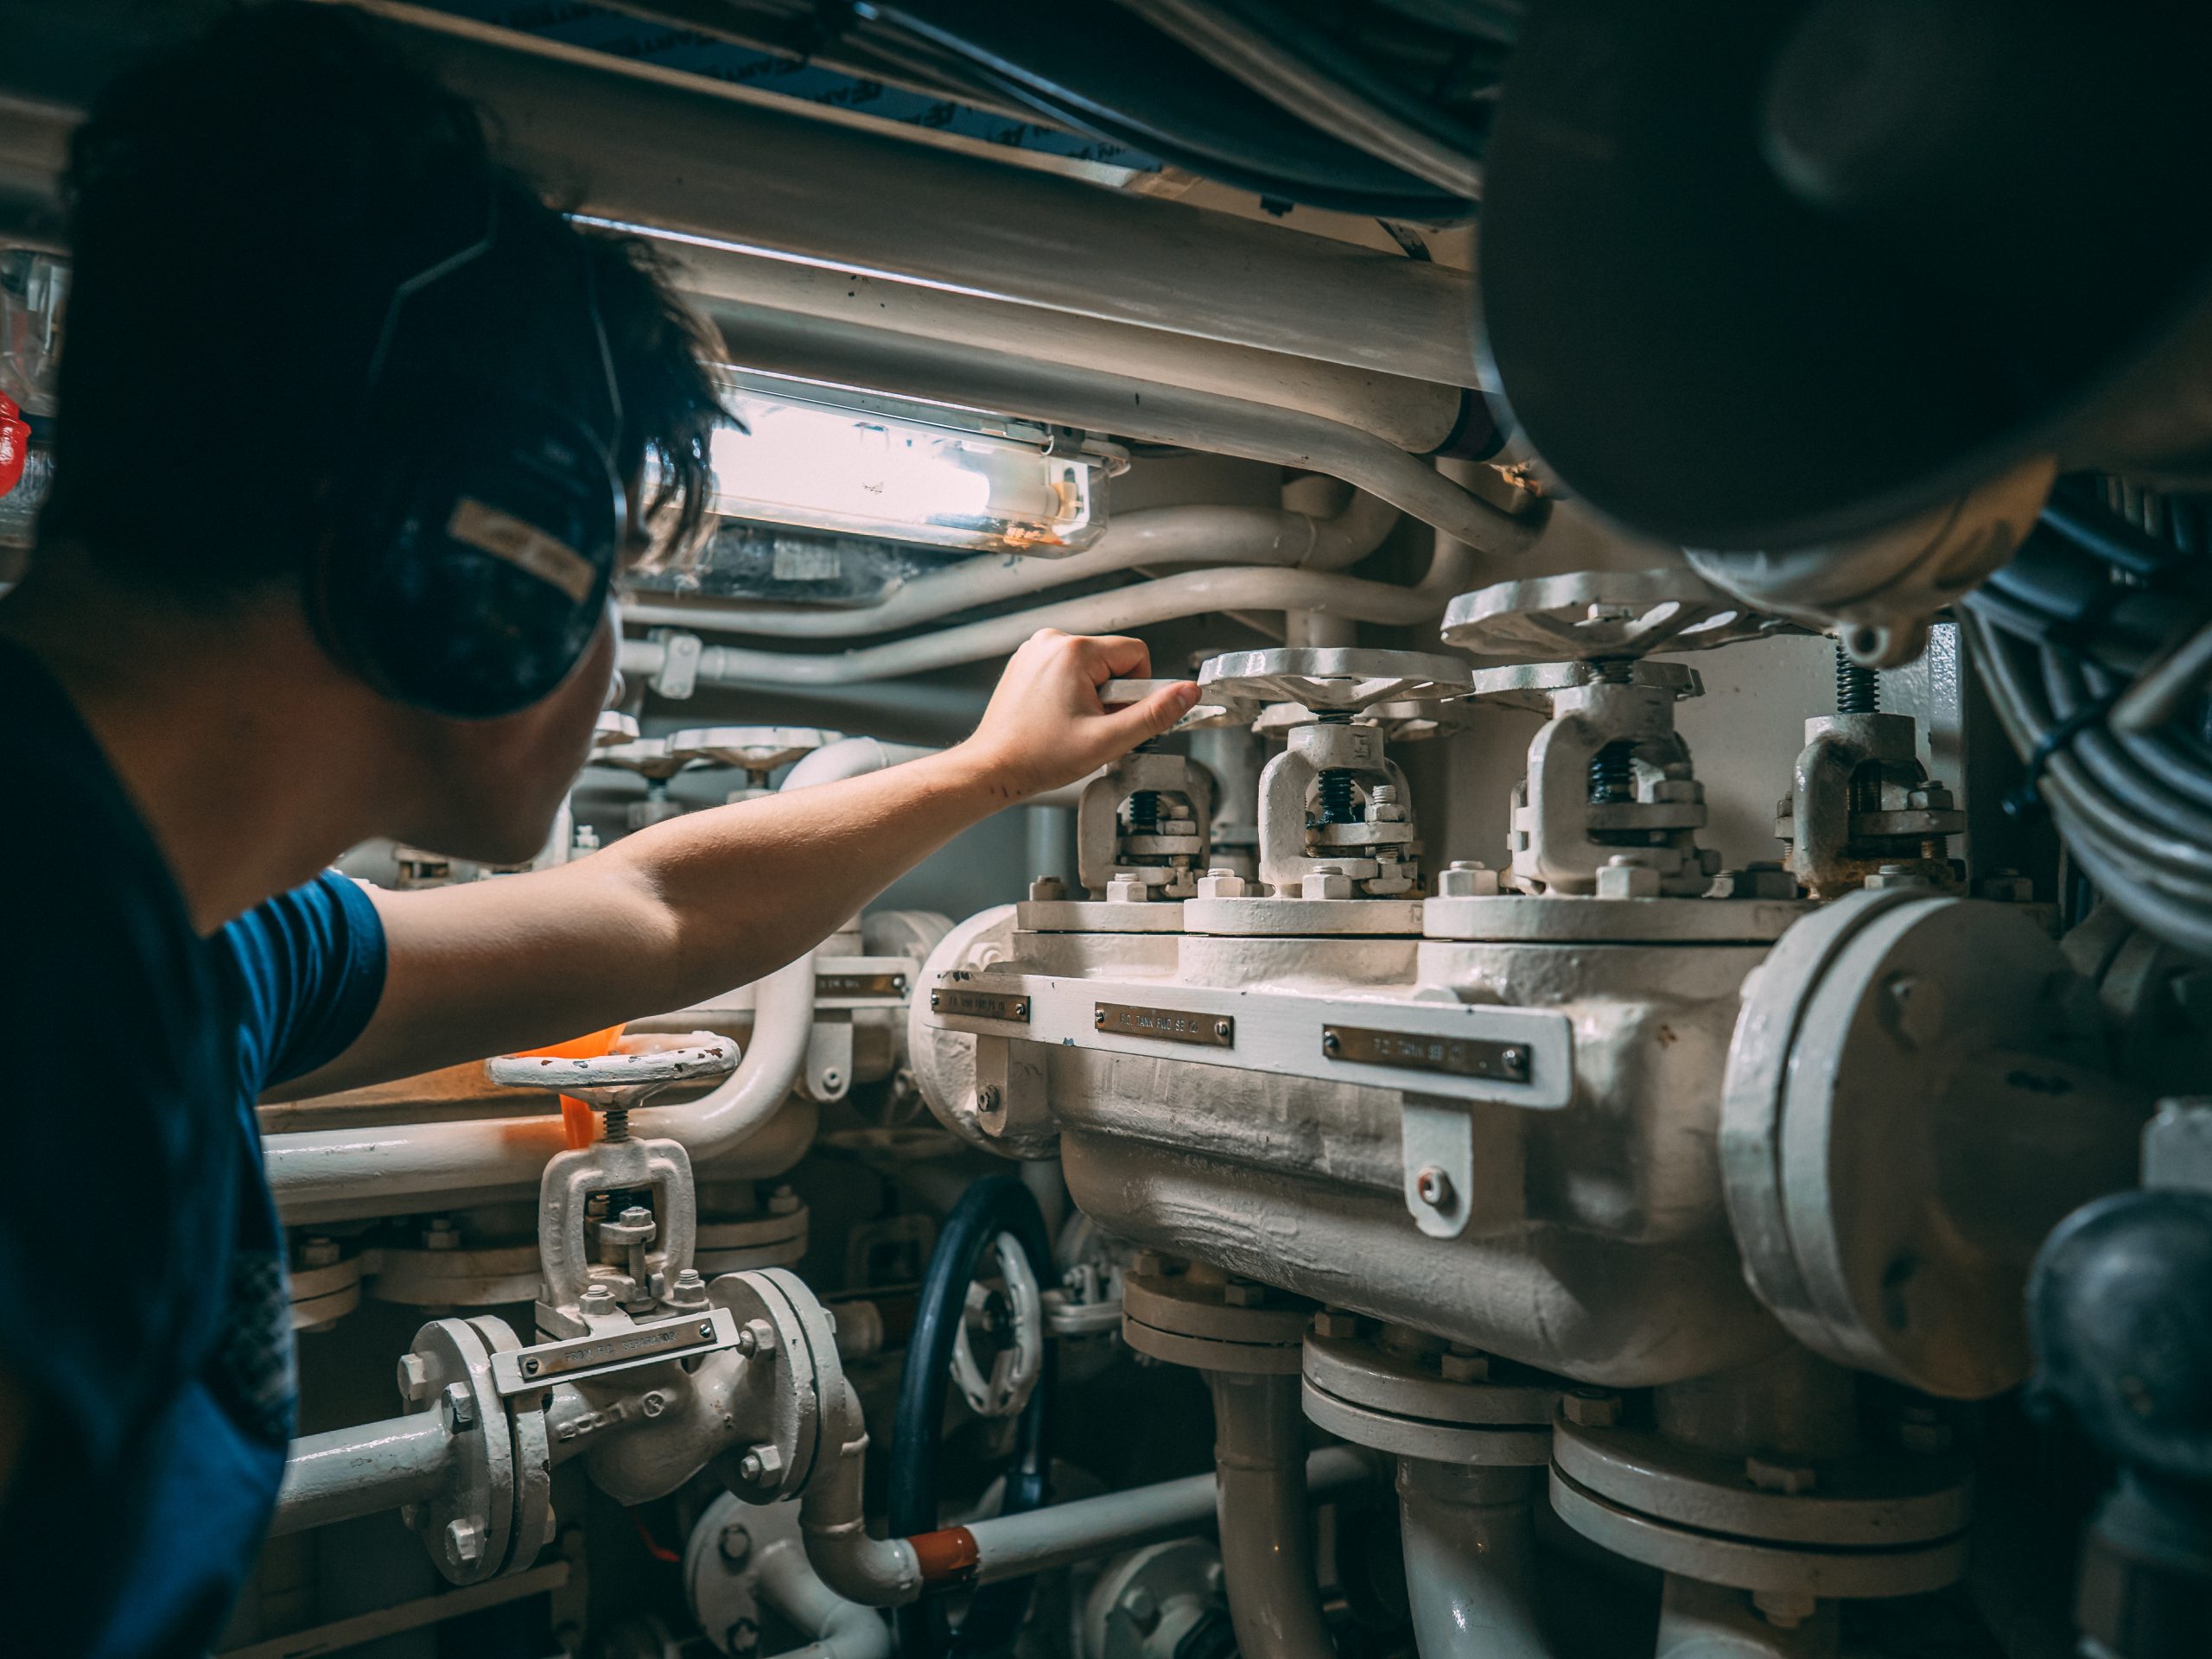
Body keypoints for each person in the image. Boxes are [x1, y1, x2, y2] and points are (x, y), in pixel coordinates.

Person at [0, 6, 1198, 1653]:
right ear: (478, 566)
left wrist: (990, 773)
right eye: (603, 572)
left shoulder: (183, 940)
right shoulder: (43, 982)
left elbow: (653, 919)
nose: (607, 642)